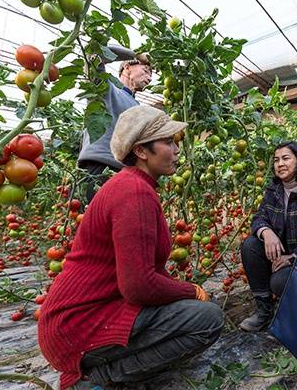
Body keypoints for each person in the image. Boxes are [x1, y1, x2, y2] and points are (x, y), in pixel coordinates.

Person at [38, 105, 224, 390]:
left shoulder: (133, 186)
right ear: (140, 151)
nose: (176, 150)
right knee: (208, 319)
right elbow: (138, 286)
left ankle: (102, 370)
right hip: (76, 326)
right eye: (168, 142)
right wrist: (191, 290)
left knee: (190, 308)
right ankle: (95, 379)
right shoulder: (133, 193)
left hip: (80, 319)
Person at [239, 141, 297, 332]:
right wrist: (266, 232)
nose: (280, 164)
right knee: (250, 245)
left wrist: (293, 256)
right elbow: (259, 217)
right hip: (280, 254)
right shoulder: (273, 191)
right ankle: (264, 311)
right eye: (276, 160)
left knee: (279, 282)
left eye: (286, 158)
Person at [78, 45, 153, 202]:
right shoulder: (106, 88)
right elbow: (93, 54)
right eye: (146, 70)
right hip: (99, 166)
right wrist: (136, 55)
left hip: (125, 173)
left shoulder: (137, 106)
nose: (150, 78)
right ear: (127, 67)